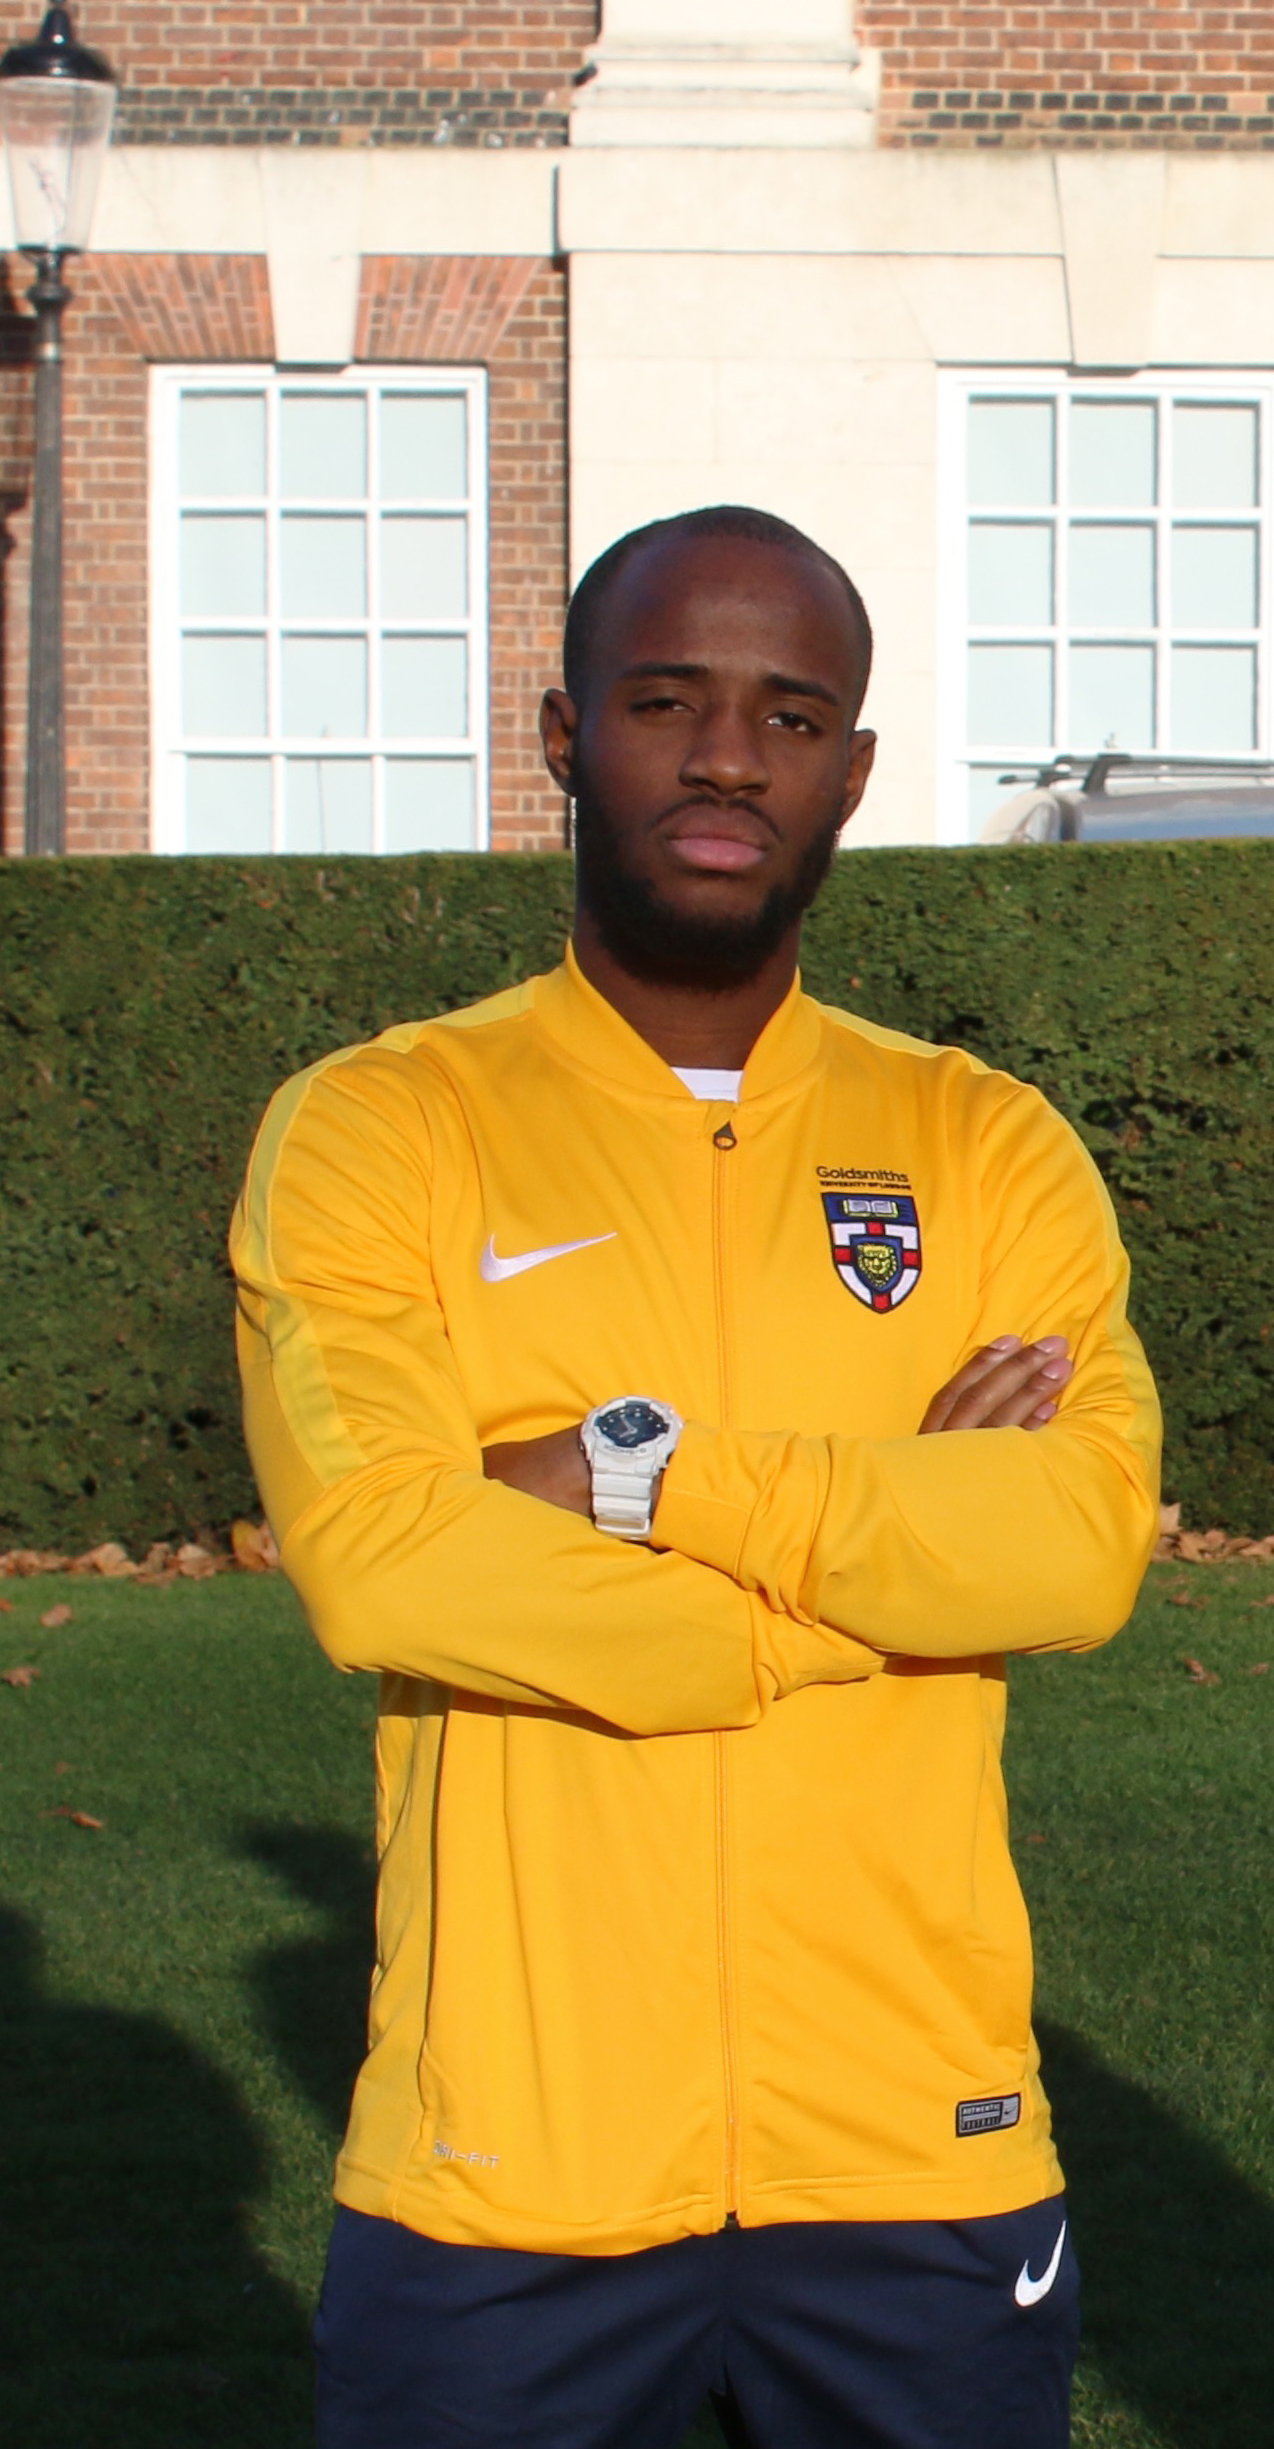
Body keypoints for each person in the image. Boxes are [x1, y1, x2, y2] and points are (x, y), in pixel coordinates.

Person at [232, 505, 1163, 2449]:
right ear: (565, 735)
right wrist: (881, 1562)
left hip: (920, 2156)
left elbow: (1072, 1554)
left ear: (856, 767)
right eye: (667, 701)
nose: (729, 755)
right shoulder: (380, 1129)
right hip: (506, 2179)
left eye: (788, 712)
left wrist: (639, 1476)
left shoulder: (983, 1145)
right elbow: (386, 1564)